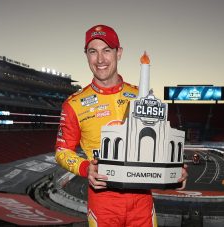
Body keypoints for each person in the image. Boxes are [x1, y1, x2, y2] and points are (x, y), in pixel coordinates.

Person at [55, 24, 187, 227]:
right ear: (86, 55)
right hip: (103, 202)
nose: (100, 60)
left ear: (119, 53)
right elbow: (62, 151)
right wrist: (84, 168)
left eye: (107, 50)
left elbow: (159, 143)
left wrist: (176, 170)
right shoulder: (73, 104)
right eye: (93, 52)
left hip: (142, 201)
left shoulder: (143, 96)